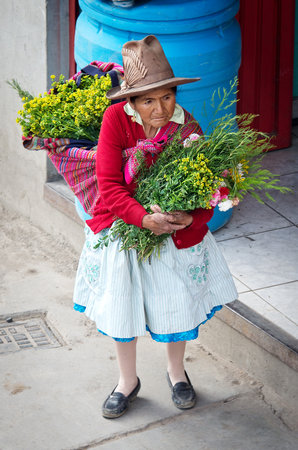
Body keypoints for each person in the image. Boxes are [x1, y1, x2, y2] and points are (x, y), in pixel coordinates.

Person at [73, 35, 238, 419]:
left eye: (166, 97)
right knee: (122, 302)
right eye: (148, 100)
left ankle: (176, 372)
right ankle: (126, 381)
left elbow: (209, 187)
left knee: (175, 300)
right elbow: (109, 185)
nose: (160, 109)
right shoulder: (115, 121)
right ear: (130, 102)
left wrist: (191, 217)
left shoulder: (187, 128)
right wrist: (143, 218)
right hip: (125, 222)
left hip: (171, 232)